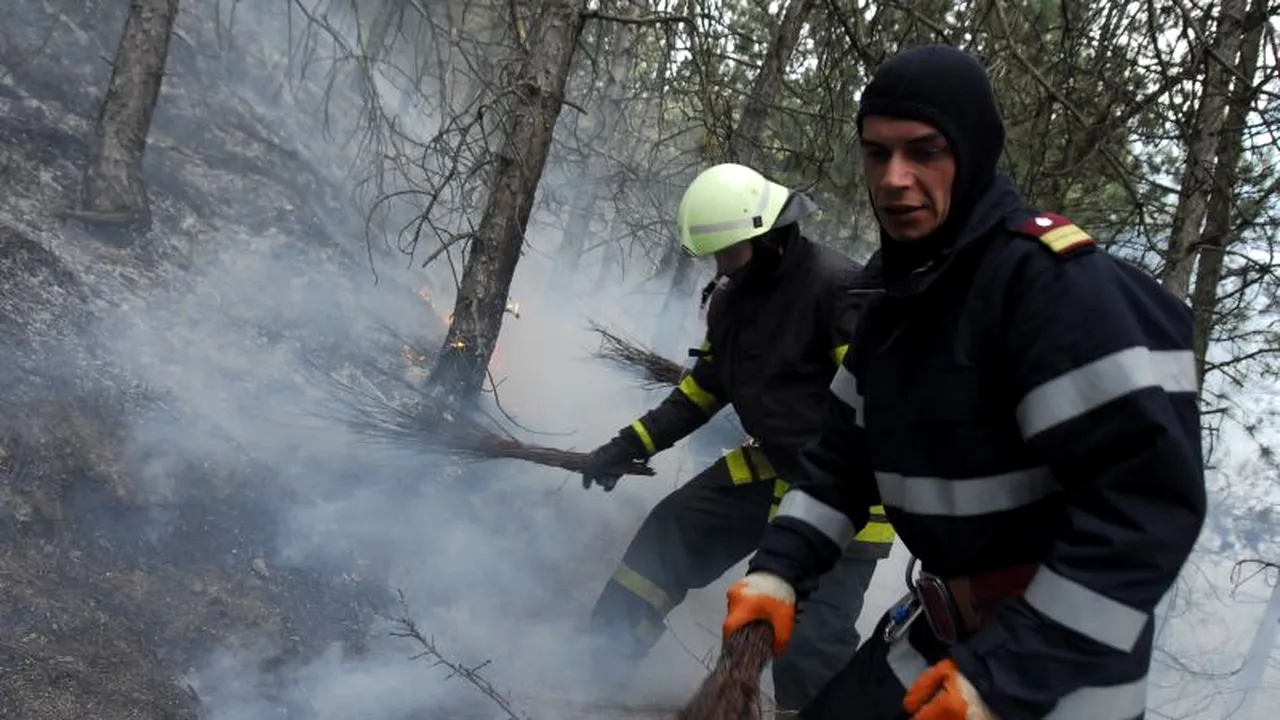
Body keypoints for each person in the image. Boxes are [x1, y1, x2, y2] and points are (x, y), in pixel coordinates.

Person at [720, 44, 1207, 720]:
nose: (894, 178)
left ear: (973, 154)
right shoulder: (895, 305)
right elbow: (838, 465)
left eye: (924, 151)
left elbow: (1146, 511)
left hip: (1059, 680)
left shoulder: (1053, 292)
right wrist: (779, 570)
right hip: (943, 631)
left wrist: (1004, 677)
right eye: (876, 152)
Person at [579, 162, 896, 712]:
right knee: (667, 537)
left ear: (770, 236)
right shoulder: (730, 301)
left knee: (808, 638)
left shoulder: (839, 289)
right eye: (716, 256)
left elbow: (877, 410)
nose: (722, 267)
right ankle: (591, 670)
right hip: (772, 469)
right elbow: (703, 390)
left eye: (730, 252)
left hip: (849, 490)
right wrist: (629, 444)